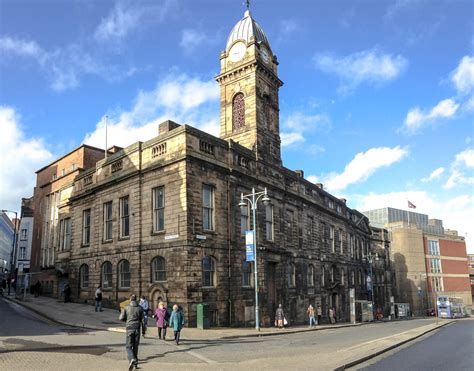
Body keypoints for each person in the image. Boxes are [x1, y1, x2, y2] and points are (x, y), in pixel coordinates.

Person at [119, 294, 144, 370]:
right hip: (137, 328)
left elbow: (121, 318)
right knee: (135, 346)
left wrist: (126, 320)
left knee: (128, 346)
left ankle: (132, 359)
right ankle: (135, 363)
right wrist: (144, 330)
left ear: (130, 299)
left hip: (129, 328)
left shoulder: (126, 307)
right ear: (136, 299)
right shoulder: (140, 308)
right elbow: (143, 320)